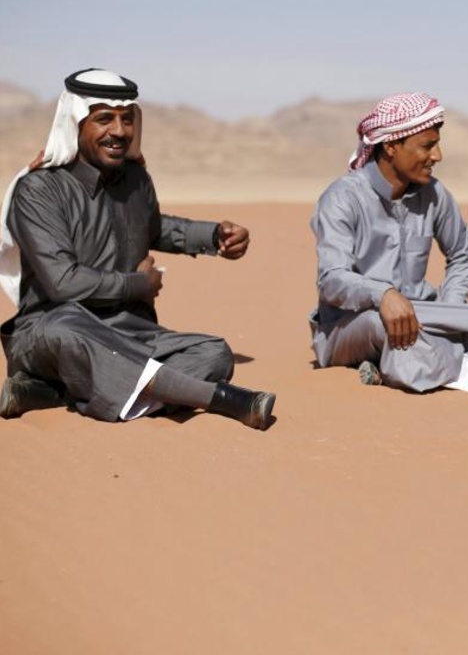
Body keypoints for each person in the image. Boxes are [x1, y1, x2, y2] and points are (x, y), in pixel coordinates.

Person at [0, 68, 275, 428]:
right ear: (75, 123)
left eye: (126, 119)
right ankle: (220, 398)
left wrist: (213, 236)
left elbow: (154, 227)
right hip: (50, 330)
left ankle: (59, 392)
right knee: (70, 330)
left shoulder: (135, 179)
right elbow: (62, 284)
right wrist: (138, 285)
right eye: (104, 119)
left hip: (128, 330)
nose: (119, 131)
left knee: (214, 352)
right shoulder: (39, 190)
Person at [309, 92, 468, 393]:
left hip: (424, 317)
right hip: (350, 328)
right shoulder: (342, 198)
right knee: (383, 326)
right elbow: (332, 279)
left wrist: (452, 313)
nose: (437, 156)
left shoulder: (434, 195)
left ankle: (392, 369)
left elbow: (462, 255)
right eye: (427, 146)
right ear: (392, 145)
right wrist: (383, 295)